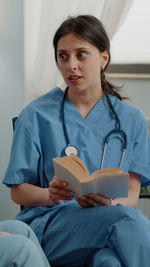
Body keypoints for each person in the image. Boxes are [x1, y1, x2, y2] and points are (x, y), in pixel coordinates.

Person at [3, 15, 150, 267]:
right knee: (128, 221)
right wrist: (51, 194)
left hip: (104, 221)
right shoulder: (36, 114)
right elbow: (18, 192)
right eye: (63, 56)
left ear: (103, 58)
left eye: (81, 54)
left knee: (110, 262)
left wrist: (108, 202)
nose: (71, 65)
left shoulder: (131, 119)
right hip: (49, 226)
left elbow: (131, 195)